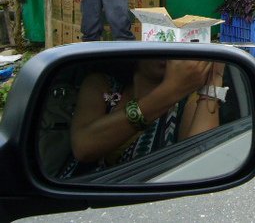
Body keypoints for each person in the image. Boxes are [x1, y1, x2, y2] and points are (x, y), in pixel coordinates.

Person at [59, 58, 227, 178]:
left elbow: (201, 167)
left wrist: (213, 80)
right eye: (156, 42)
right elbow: (83, 147)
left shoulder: (189, 101)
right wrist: (170, 91)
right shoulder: (105, 87)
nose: (165, 53)